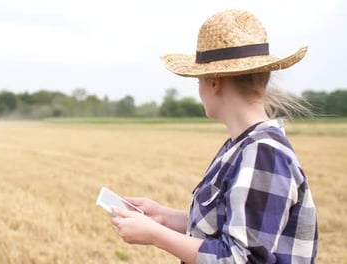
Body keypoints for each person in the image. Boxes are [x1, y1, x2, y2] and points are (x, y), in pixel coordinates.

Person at [110, 9, 318, 263]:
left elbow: (241, 258)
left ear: (214, 82)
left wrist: (156, 235)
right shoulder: (244, 146)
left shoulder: (263, 153)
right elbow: (232, 225)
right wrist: (164, 217)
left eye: (198, 80)